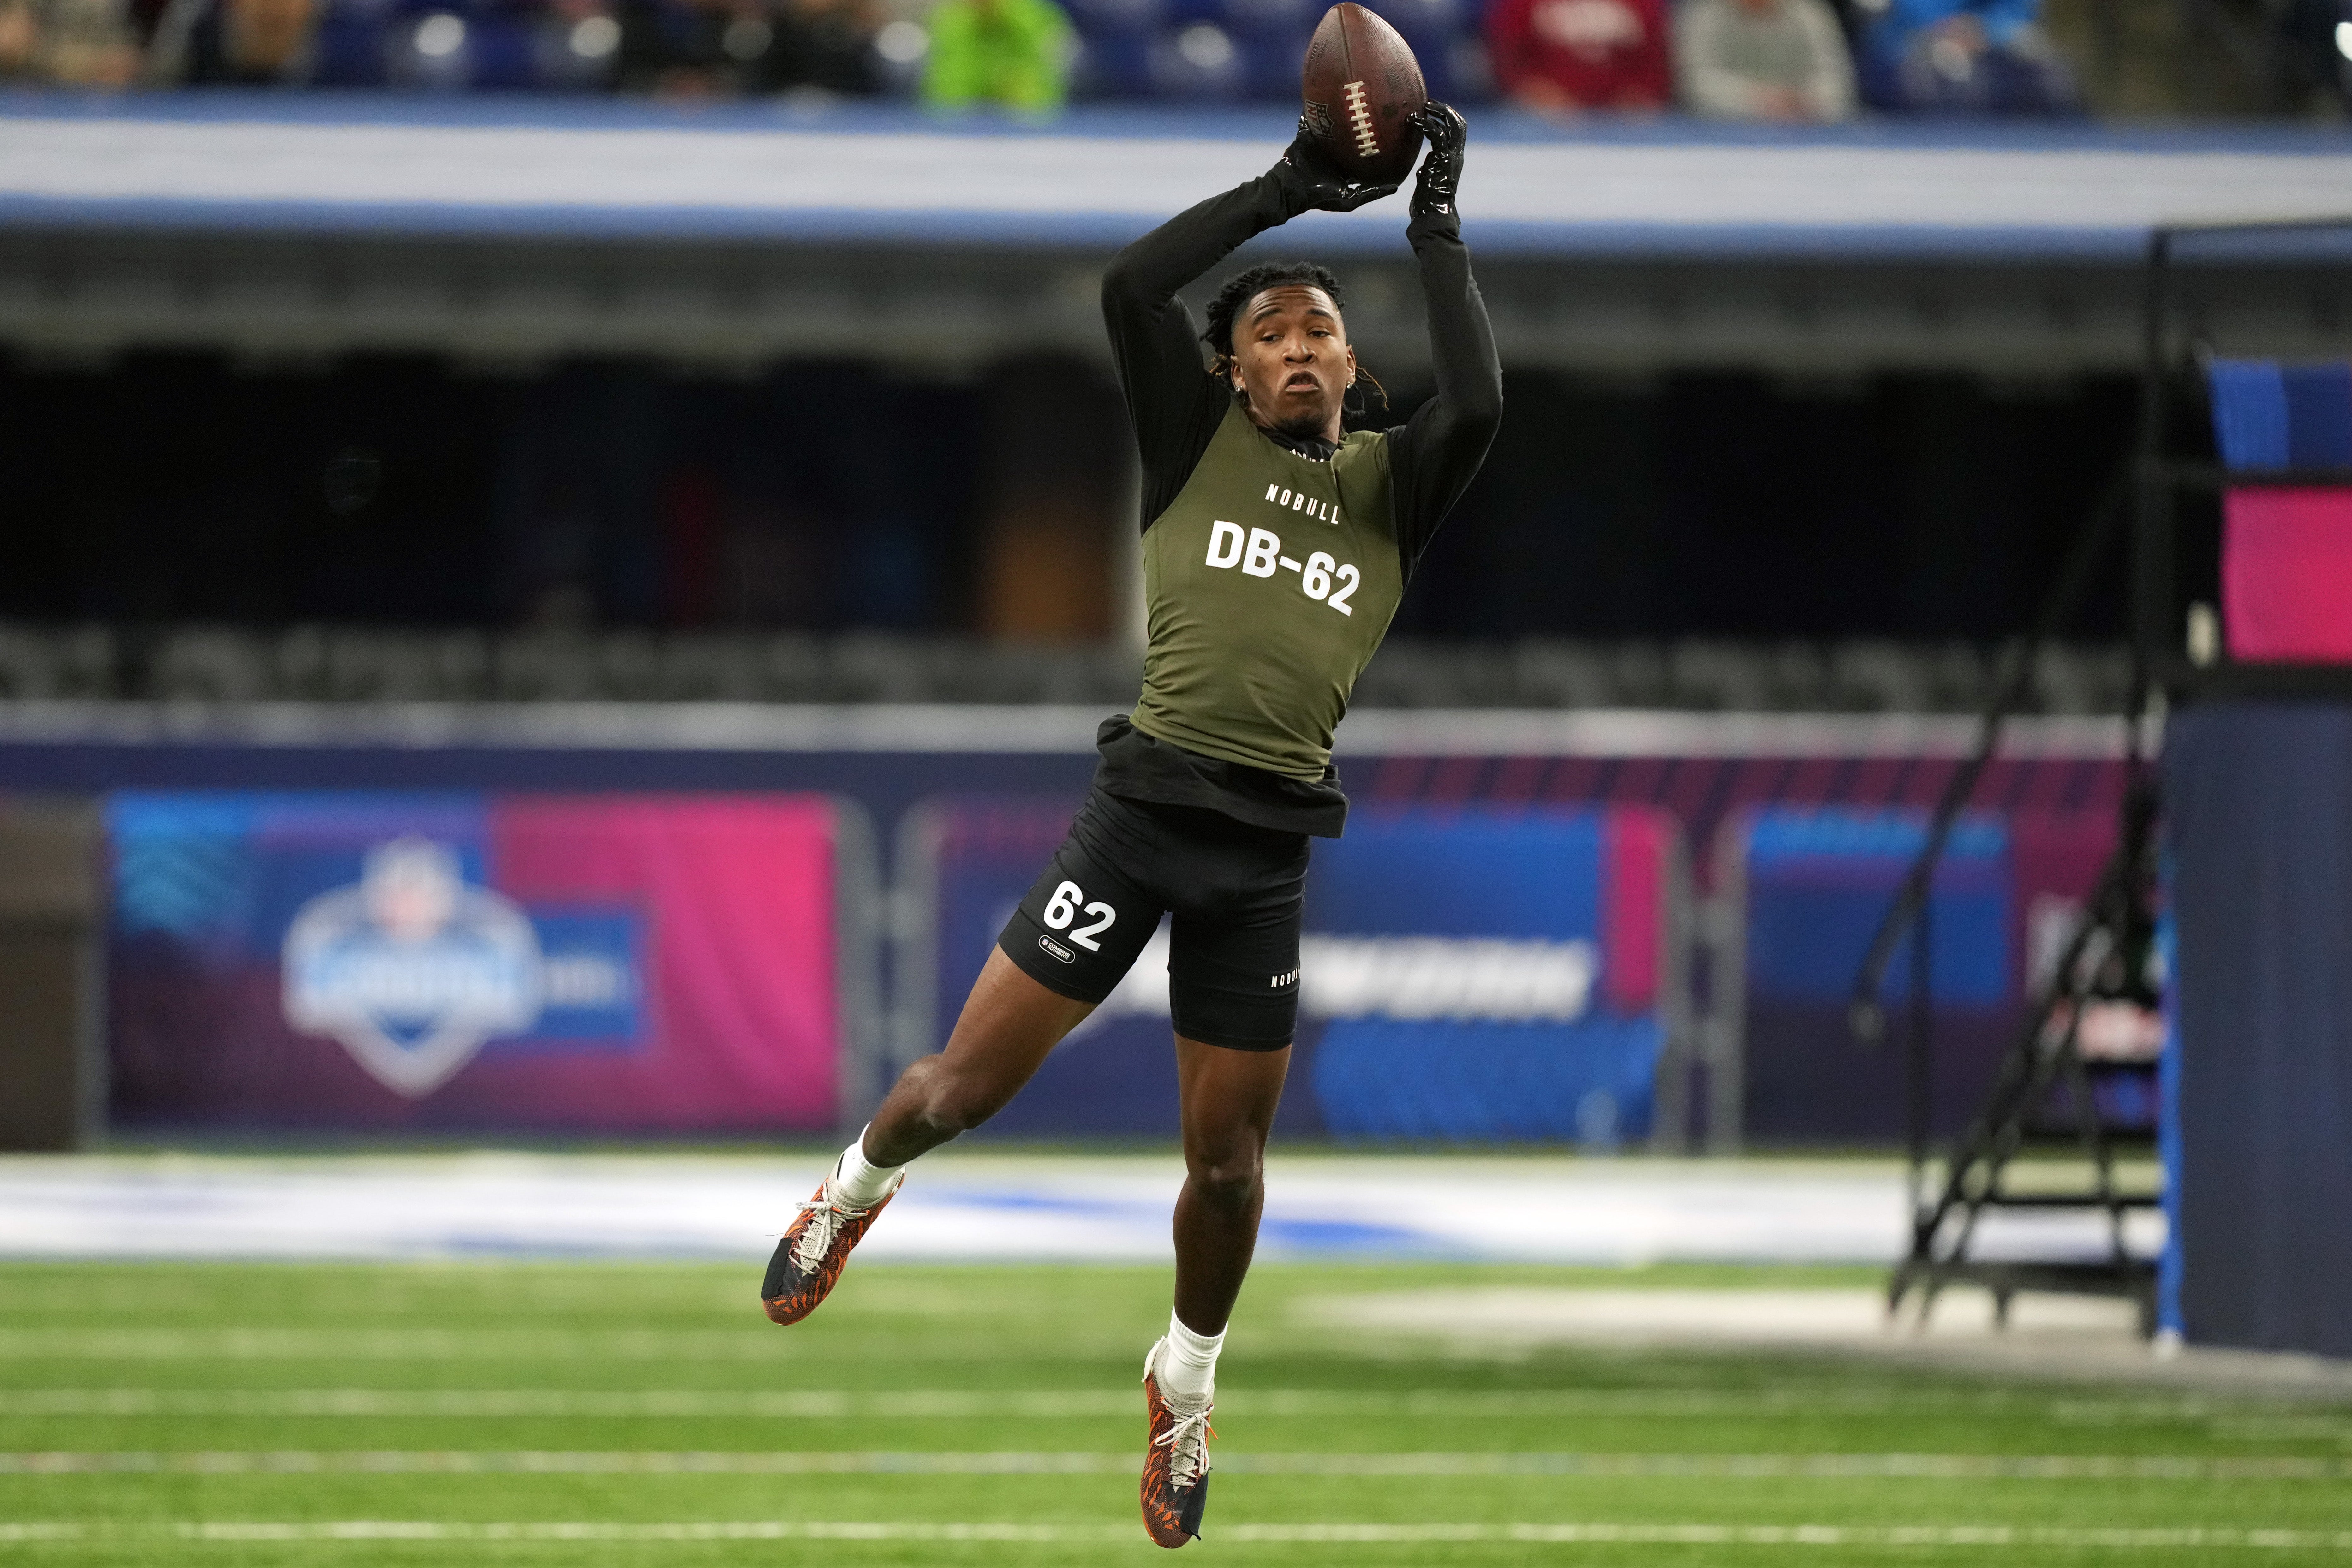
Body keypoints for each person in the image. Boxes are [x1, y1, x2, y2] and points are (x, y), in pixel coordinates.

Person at [760, 105, 1501, 1549]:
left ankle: (1185, 1376)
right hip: (1142, 813)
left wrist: (1435, 221)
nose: (1296, 346)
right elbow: (1128, 287)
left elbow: (1477, 402)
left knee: (1227, 1166)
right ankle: (855, 1183)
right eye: (1271, 330)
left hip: (1265, 849)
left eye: (1320, 330)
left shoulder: (1390, 484)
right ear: (1231, 368)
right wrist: (1291, 189)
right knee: (960, 1089)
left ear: (1354, 364)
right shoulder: (1193, 435)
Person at [1855, 0, 2076, 114]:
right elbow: (1907, 10)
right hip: (1917, 42)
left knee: (2048, 74)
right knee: (1929, 75)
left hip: (1990, 45)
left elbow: (2019, 11)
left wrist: (1985, 31)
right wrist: (1945, 30)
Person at [1675, 0, 1854, 120]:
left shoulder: (1811, 15)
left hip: (1806, 135)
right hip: (1720, 136)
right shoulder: (1705, 14)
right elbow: (1695, 83)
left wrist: (1805, 102)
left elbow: (1836, 80)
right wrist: (1759, 101)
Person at [1485, 0, 1670, 114]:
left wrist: (1640, 93)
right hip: (1546, 110)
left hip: (1624, 112)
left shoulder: (1644, 4)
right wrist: (1533, 91)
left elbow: (1656, 58)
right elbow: (1509, 56)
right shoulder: (1523, 4)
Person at [920, 0, 1070, 112]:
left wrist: (1012, 89)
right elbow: (947, 94)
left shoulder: (1033, 19)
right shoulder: (952, 23)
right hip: (964, 128)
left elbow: (1041, 94)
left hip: (1024, 128)